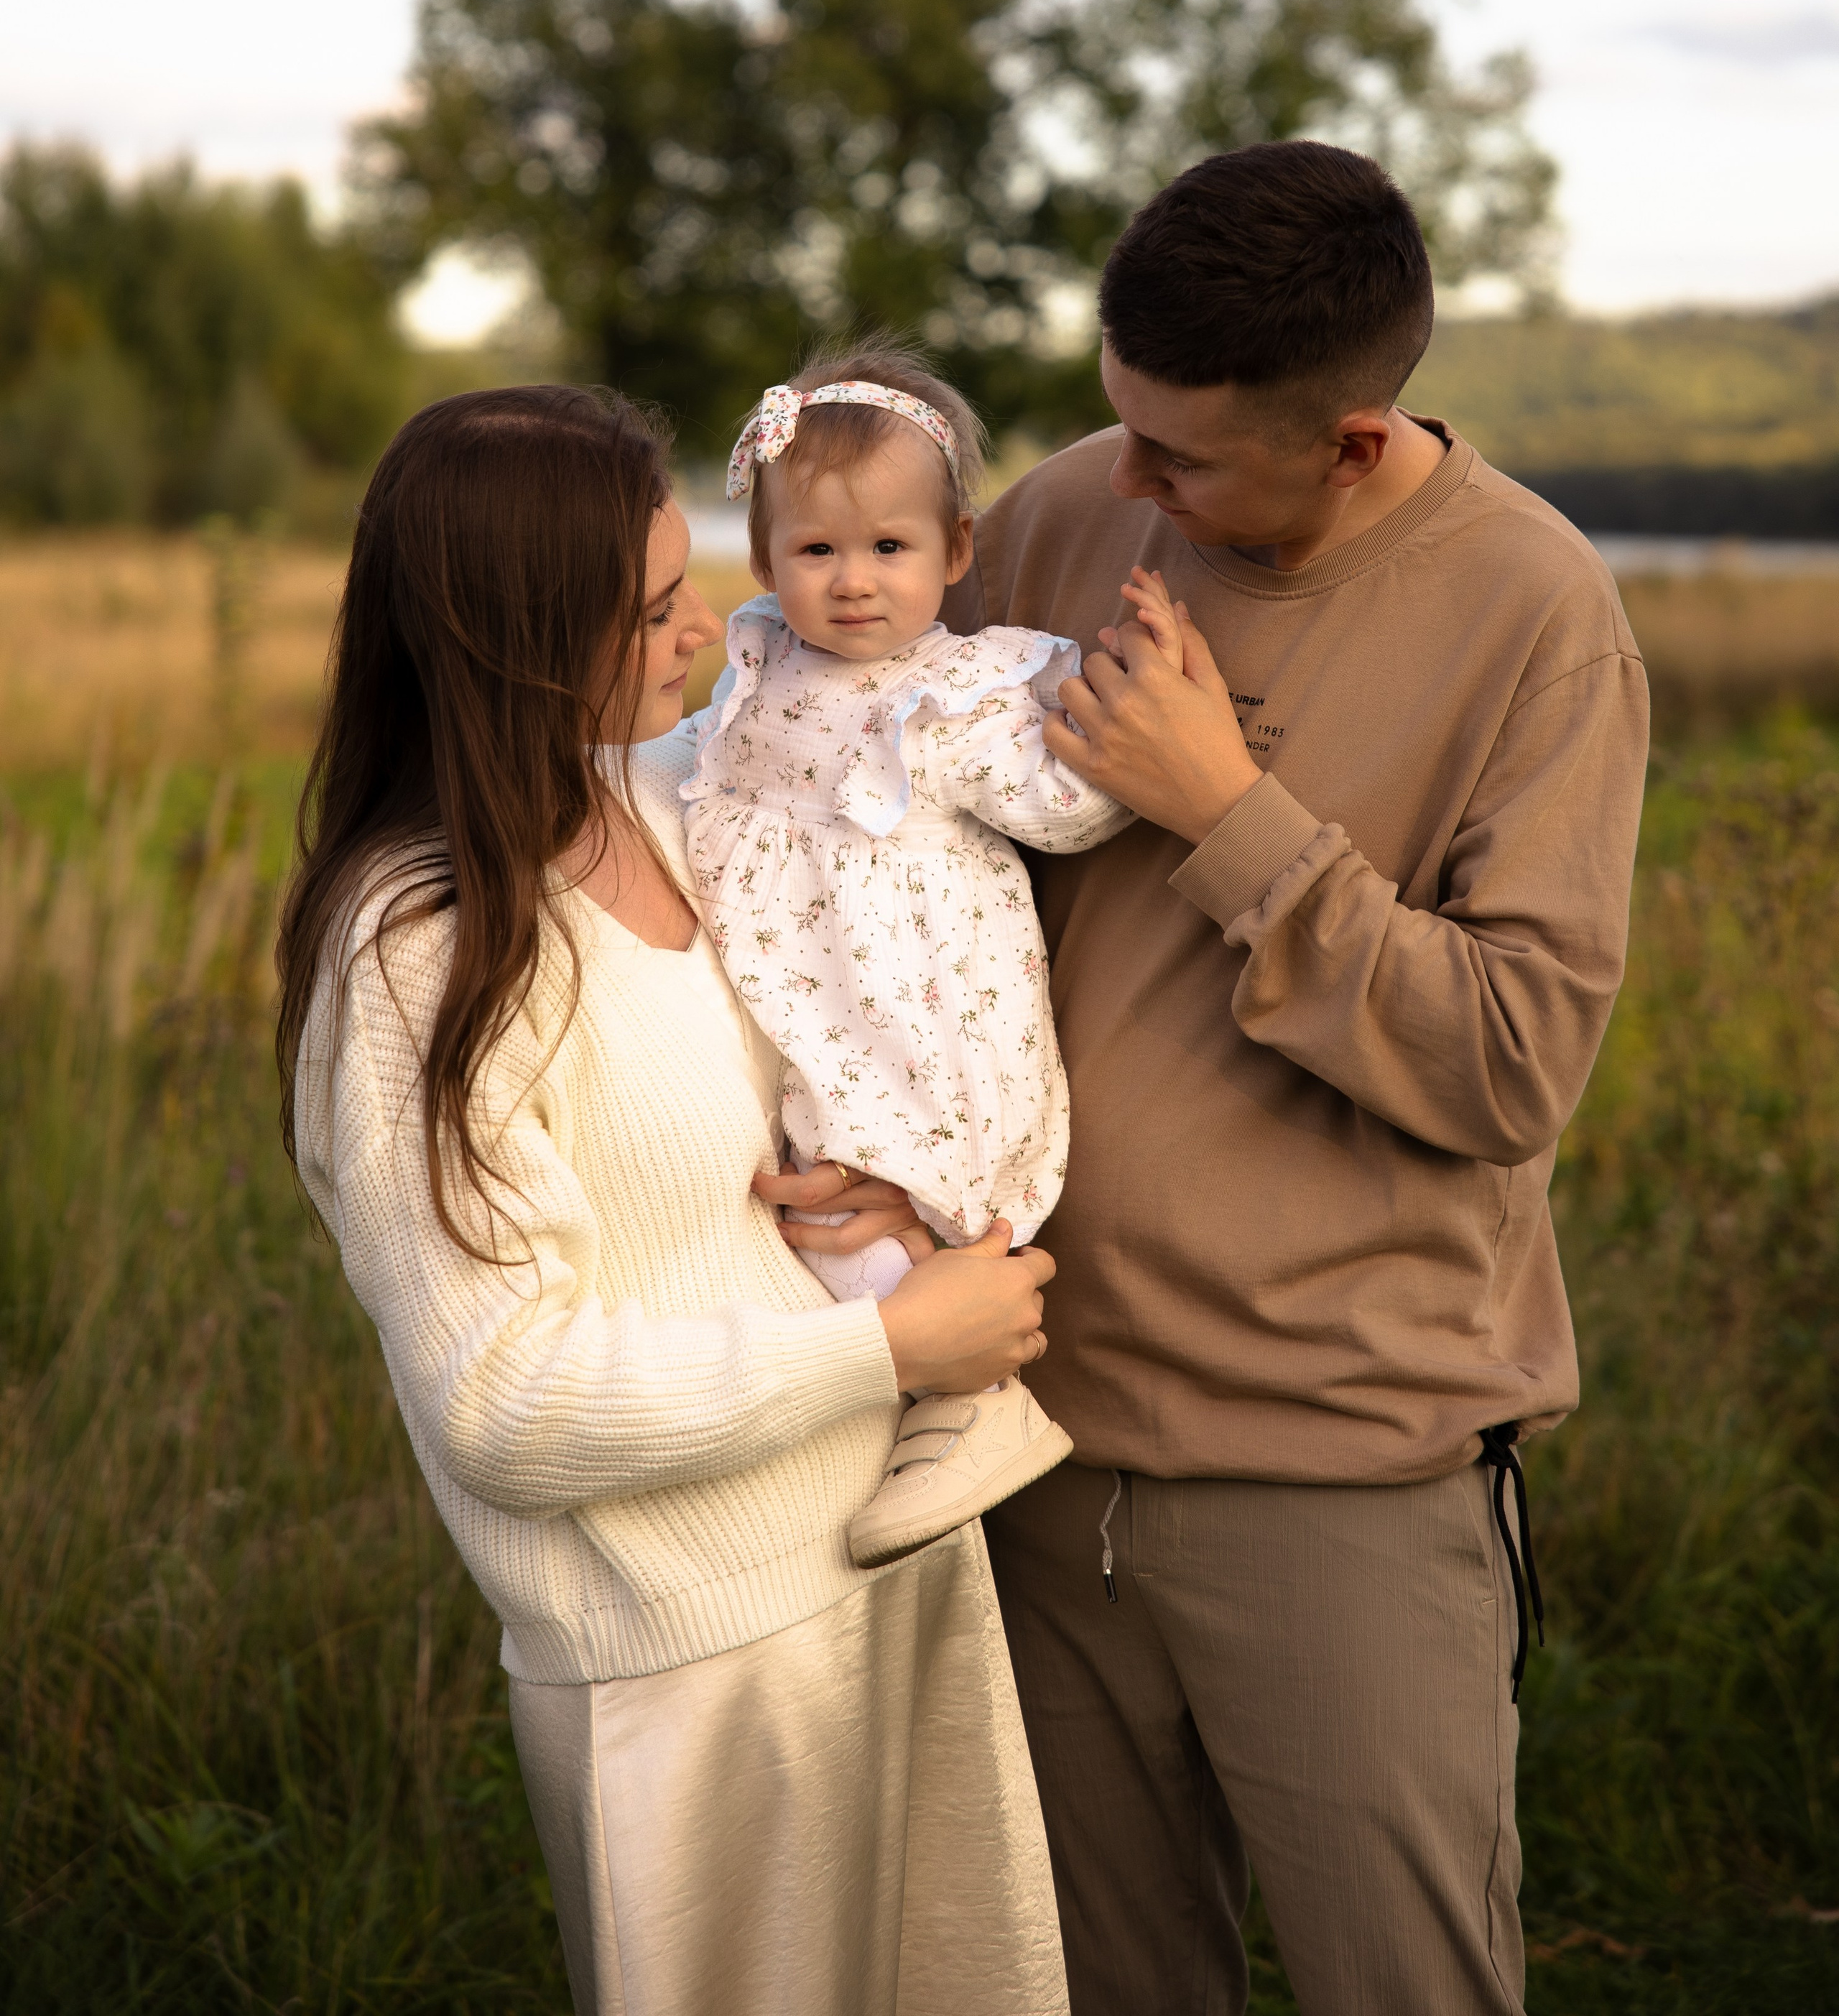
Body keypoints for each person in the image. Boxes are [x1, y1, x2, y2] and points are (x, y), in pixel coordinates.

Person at [942, 141, 1649, 2016]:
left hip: (1345, 1467)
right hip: (1028, 1445)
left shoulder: (1539, 612)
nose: (1131, 495)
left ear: (1351, 438)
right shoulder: (1061, 513)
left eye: (1180, 458)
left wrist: (1227, 809)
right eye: (1119, 430)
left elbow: (1510, 1060)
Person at [274, 384, 1070, 2016]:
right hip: (691, 1662)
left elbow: (767, 1094)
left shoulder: (667, 803)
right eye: (646, 611)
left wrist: (864, 1174)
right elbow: (501, 1400)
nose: (709, 631)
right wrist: (891, 1351)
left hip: (892, 1558)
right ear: (513, 635)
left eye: (686, 579)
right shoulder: (417, 952)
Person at [686, 346, 1156, 1566]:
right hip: (799, 980)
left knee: (896, 1166)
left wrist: (1130, 712)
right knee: (813, 1191)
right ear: (767, 561)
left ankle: (967, 1404)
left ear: (953, 552)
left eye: (890, 549)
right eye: (817, 551)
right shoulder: (755, 662)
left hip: (919, 989)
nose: (852, 584)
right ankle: (886, 1405)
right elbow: (703, 762)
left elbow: (1065, 802)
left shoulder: (958, 690)